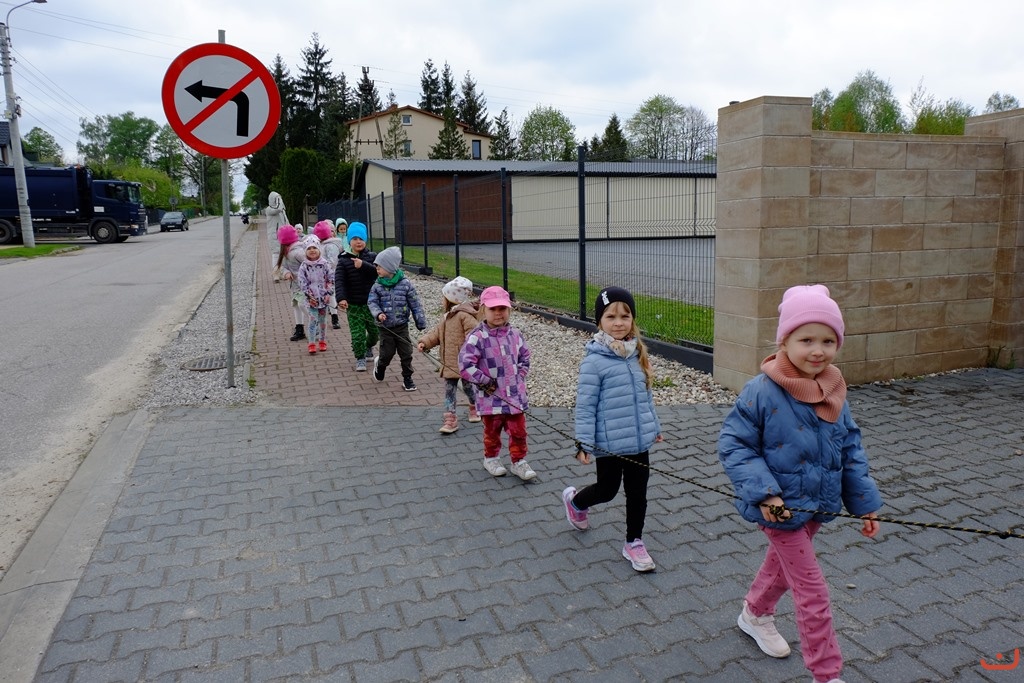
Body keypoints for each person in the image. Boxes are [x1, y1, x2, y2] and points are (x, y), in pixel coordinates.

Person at [718, 284, 882, 683]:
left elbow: (850, 447)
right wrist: (766, 494)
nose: (818, 350)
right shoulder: (761, 391)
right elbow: (735, 445)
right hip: (777, 507)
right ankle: (826, 674)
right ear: (784, 341)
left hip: (816, 505)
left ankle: (754, 614)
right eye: (806, 339)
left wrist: (865, 503)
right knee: (812, 590)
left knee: (781, 567)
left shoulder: (833, 389)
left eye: (828, 340)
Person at [562, 287, 663, 573]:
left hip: (639, 442)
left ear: (632, 319)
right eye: (611, 316)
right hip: (608, 444)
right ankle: (576, 502)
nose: (618, 323)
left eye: (625, 316)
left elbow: (646, 396)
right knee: (607, 491)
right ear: (599, 321)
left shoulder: (638, 353)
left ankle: (634, 542)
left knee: (638, 494)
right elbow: (585, 406)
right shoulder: (594, 361)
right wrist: (583, 443)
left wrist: (654, 426)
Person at [458, 286, 535, 481]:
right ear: (484, 309)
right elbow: (465, 366)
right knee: (492, 432)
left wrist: (520, 375)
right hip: (490, 397)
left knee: (518, 431)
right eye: (493, 309)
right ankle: (491, 458)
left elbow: (525, 357)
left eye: (503, 308)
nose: (498, 313)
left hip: (514, 397)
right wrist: (484, 380)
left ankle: (519, 461)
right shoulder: (477, 337)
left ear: (509, 310)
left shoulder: (515, 334)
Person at [417, 276, 481, 433]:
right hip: (449, 363)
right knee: (449, 390)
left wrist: (470, 355)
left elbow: (474, 336)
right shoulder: (446, 317)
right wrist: (425, 342)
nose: (442, 300)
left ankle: (475, 406)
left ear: (451, 299)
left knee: (468, 388)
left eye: (444, 297)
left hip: (464, 363)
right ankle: (450, 419)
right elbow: (437, 333)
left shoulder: (464, 316)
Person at [368, 246, 427, 391]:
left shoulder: (405, 284)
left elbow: (415, 303)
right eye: (376, 266)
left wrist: (420, 321)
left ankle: (408, 378)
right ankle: (380, 366)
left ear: (390, 267)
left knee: (406, 353)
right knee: (387, 354)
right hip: (385, 327)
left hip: (402, 326)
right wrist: (378, 314)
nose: (377, 269)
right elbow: (372, 302)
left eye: (380, 266)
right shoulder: (377, 286)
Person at [334, 222, 378, 371]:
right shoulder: (343, 260)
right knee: (357, 334)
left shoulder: (372, 257)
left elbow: (379, 273)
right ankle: (360, 357)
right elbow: (339, 281)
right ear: (349, 241)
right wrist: (341, 298)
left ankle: (368, 346)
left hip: (372, 304)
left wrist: (363, 264)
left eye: (361, 239)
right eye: (354, 239)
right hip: (353, 304)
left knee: (375, 333)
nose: (358, 242)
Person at [298, 238, 334, 354]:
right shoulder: (304, 266)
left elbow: (331, 279)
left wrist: (328, 293)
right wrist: (309, 296)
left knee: (323, 321)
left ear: (319, 250)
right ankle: (312, 343)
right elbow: (302, 282)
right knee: (313, 320)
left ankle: (322, 341)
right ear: (305, 251)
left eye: (315, 248)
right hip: (311, 300)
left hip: (324, 299)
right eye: (309, 248)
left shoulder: (325, 264)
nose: (312, 250)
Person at [275, 225, 310, 342]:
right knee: (296, 305)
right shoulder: (286, 252)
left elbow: (310, 265)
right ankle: (299, 328)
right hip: (295, 285)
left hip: (304, 285)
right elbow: (283, 266)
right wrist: (286, 273)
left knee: (302, 304)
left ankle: (314, 322)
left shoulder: (298, 252)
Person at [313, 221, 345, 329]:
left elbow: (333, 261)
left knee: (331, 294)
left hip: (330, 274)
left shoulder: (331, 245)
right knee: (325, 295)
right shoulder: (321, 245)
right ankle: (324, 318)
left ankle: (334, 317)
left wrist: (325, 270)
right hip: (321, 275)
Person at [265, 191, 289, 273]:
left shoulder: (282, 211)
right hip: (274, 235)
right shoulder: (269, 209)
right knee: (276, 254)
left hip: (283, 235)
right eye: (277, 198)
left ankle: (282, 271)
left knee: (284, 254)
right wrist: (278, 198)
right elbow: (278, 209)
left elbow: (286, 221)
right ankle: (276, 273)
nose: (279, 200)